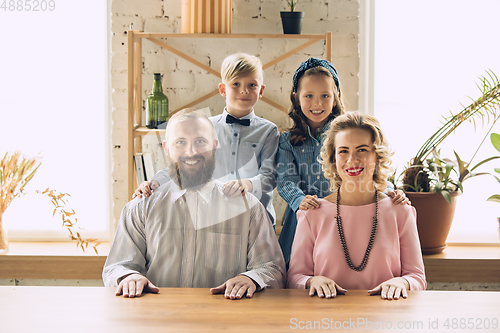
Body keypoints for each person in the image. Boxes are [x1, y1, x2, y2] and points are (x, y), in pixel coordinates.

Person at [103, 109, 285, 299]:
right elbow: (117, 266)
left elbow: (273, 269)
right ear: (166, 148)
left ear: (215, 146)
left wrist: (251, 279)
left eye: (200, 141)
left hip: (225, 323)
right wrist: (130, 276)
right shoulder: (140, 208)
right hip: (156, 322)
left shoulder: (248, 208)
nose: (191, 152)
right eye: (180, 142)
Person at [277, 57, 408, 267]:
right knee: (299, 272)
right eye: (308, 96)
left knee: (341, 265)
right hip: (304, 216)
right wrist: (300, 201)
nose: (317, 103)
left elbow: (368, 169)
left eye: (325, 96)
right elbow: (285, 181)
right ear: (296, 97)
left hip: (343, 214)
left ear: (336, 96)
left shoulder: (346, 136)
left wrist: (390, 191)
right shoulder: (287, 141)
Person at [287, 112, 426, 300]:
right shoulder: (311, 214)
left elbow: (417, 277)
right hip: (325, 321)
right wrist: (311, 282)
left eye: (362, 150)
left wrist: (402, 282)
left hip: (385, 320)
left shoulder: (401, 211)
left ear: (377, 156)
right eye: (343, 151)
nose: (352, 160)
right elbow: (295, 278)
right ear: (333, 159)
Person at [133, 53, 279, 225]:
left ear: (261, 90)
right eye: (236, 84)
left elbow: (270, 176)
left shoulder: (269, 130)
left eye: (252, 85)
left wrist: (248, 184)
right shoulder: (204, 127)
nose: (244, 90)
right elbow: (182, 165)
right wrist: (153, 183)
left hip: (257, 218)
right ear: (223, 89)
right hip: (214, 217)